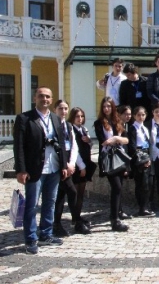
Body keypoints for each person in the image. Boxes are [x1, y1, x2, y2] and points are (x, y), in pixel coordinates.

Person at [14, 87, 68, 254]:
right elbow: (19, 147)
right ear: (35, 98)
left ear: (51, 100)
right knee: (31, 206)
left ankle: (46, 233)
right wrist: (21, 170)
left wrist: (64, 166)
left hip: (53, 167)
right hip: (34, 169)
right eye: (41, 96)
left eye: (47, 97)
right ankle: (30, 239)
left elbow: (62, 144)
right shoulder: (24, 118)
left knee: (50, 203)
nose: (44, 99)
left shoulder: (55, 119)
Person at [94, 96, 130, 231]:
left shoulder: (118, 121)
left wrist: (116, 138)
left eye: (109, 106)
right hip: (108, 158)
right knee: (116, 187)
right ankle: (114, 219)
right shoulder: (99, 123)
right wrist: (116, 138)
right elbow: (103, 141)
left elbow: (127, 140)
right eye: (104, 107)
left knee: (119, 187)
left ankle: (117, 214)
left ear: (113, 107)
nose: (106, 109)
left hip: (120, 157)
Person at [53, 100, 87, 237]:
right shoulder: (53, 125)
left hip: (68, 163)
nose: (63, 111)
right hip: (58, 164)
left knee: (61, 196)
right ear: (55, 109)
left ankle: (56, 224)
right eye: (61, 108)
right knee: (72, 192)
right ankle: (77, 221)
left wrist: (73, 164)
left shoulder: (68, 126)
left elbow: (74, 146)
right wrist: (63, 165)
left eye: (66, 108)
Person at [67, 107, 96, 233]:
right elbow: (74, 150)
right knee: (75, 192)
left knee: (81, 194)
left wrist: (89, 141)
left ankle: (77, 216)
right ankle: (75, 218)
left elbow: (90, 145)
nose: (80, 119)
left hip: (86, 162)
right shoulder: (71, 129)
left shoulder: (83, 129)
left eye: (82, 116)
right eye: (77, 116)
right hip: (78, 165)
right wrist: (81, 165)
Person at [128, 106, 155, 217]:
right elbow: (133, 147)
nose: (140, 117)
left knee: (149, 182)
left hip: (147, 155)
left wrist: (149, 158)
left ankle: (146, 205)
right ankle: (142, 207)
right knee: (142, 184)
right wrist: (142, 160)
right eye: (138, 115)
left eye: (143, 115)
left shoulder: (145, 128)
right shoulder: (133, 128)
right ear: (134, 116)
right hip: (139, 157)